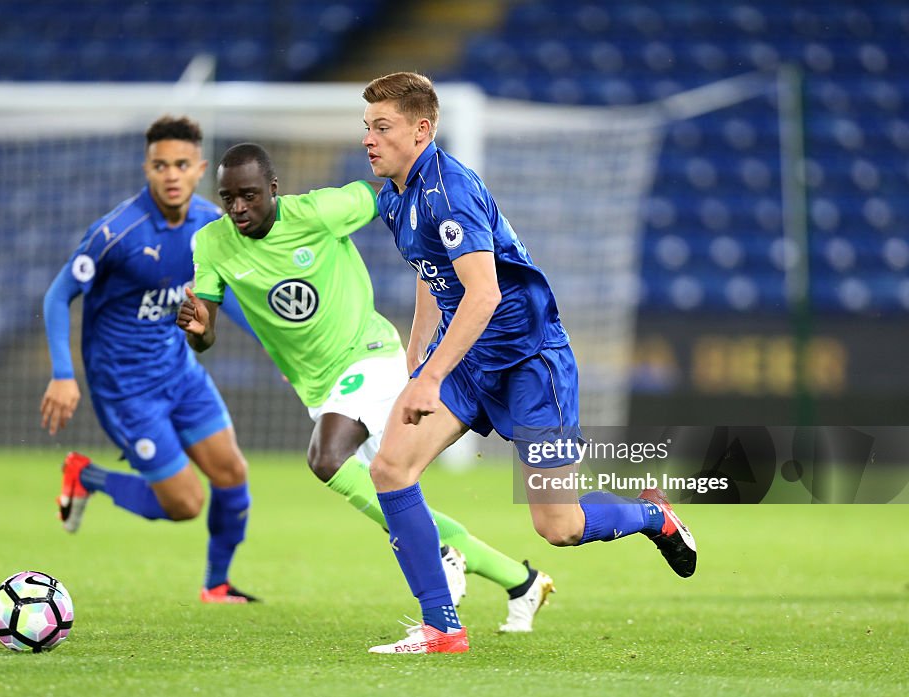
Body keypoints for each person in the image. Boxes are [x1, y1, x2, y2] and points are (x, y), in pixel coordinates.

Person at [360, 71, 698, 654]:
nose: (369, 139)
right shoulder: (395, 195)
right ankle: (442, 627)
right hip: (468, 361)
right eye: (366, 127)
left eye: (382, 127)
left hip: (529, 363)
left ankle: (654, 518)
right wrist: (418, 355)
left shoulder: (449, 190)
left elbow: (485, 293)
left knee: (558, 528)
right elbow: (430, 268)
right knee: (390, 469)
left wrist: (432, 374)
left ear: (422, 129)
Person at [176, 142, 554, 632]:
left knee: (326, 458)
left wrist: (433, 244)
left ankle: (440, 557)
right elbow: (204, 333)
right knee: (397, 499)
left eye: (248, 195)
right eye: (228, 198)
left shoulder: (321, 210)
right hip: (318, 386)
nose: (238, 207)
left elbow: (383, 195)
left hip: (369, 355)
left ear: (273, 189)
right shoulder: (211, 243)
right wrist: (197, 326)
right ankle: (521, 581)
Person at [40, 116, 258, 604]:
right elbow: (58, 297)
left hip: (179, 373)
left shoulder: (211, 226)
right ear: (147, 169)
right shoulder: (117, 233)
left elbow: (231, 298)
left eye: (182, 164)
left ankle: (217, 585)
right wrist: (62, 375)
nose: (172, 174)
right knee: (185, 504)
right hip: (126, 391)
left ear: (200, 168)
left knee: (232, 473)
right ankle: (87, 475)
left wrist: (279, 346)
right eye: (161, 165)